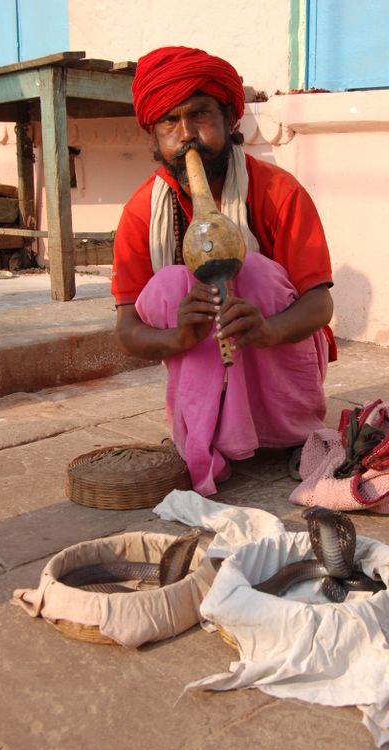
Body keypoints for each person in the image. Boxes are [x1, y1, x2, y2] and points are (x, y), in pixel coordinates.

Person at [111, 46, 336, 495]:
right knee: (171, 285)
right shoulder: (141, 211)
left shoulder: (278, 191)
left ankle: (291, 434)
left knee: (251, 273)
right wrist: (176, 337)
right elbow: (127, 328)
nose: (187, 134)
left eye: (200, 115)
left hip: (278, 350)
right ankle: (206, 432)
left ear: (231, 120)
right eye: (169, 123)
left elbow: (320, 303)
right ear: (153, 138)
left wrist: (269, 328)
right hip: (201, 350)